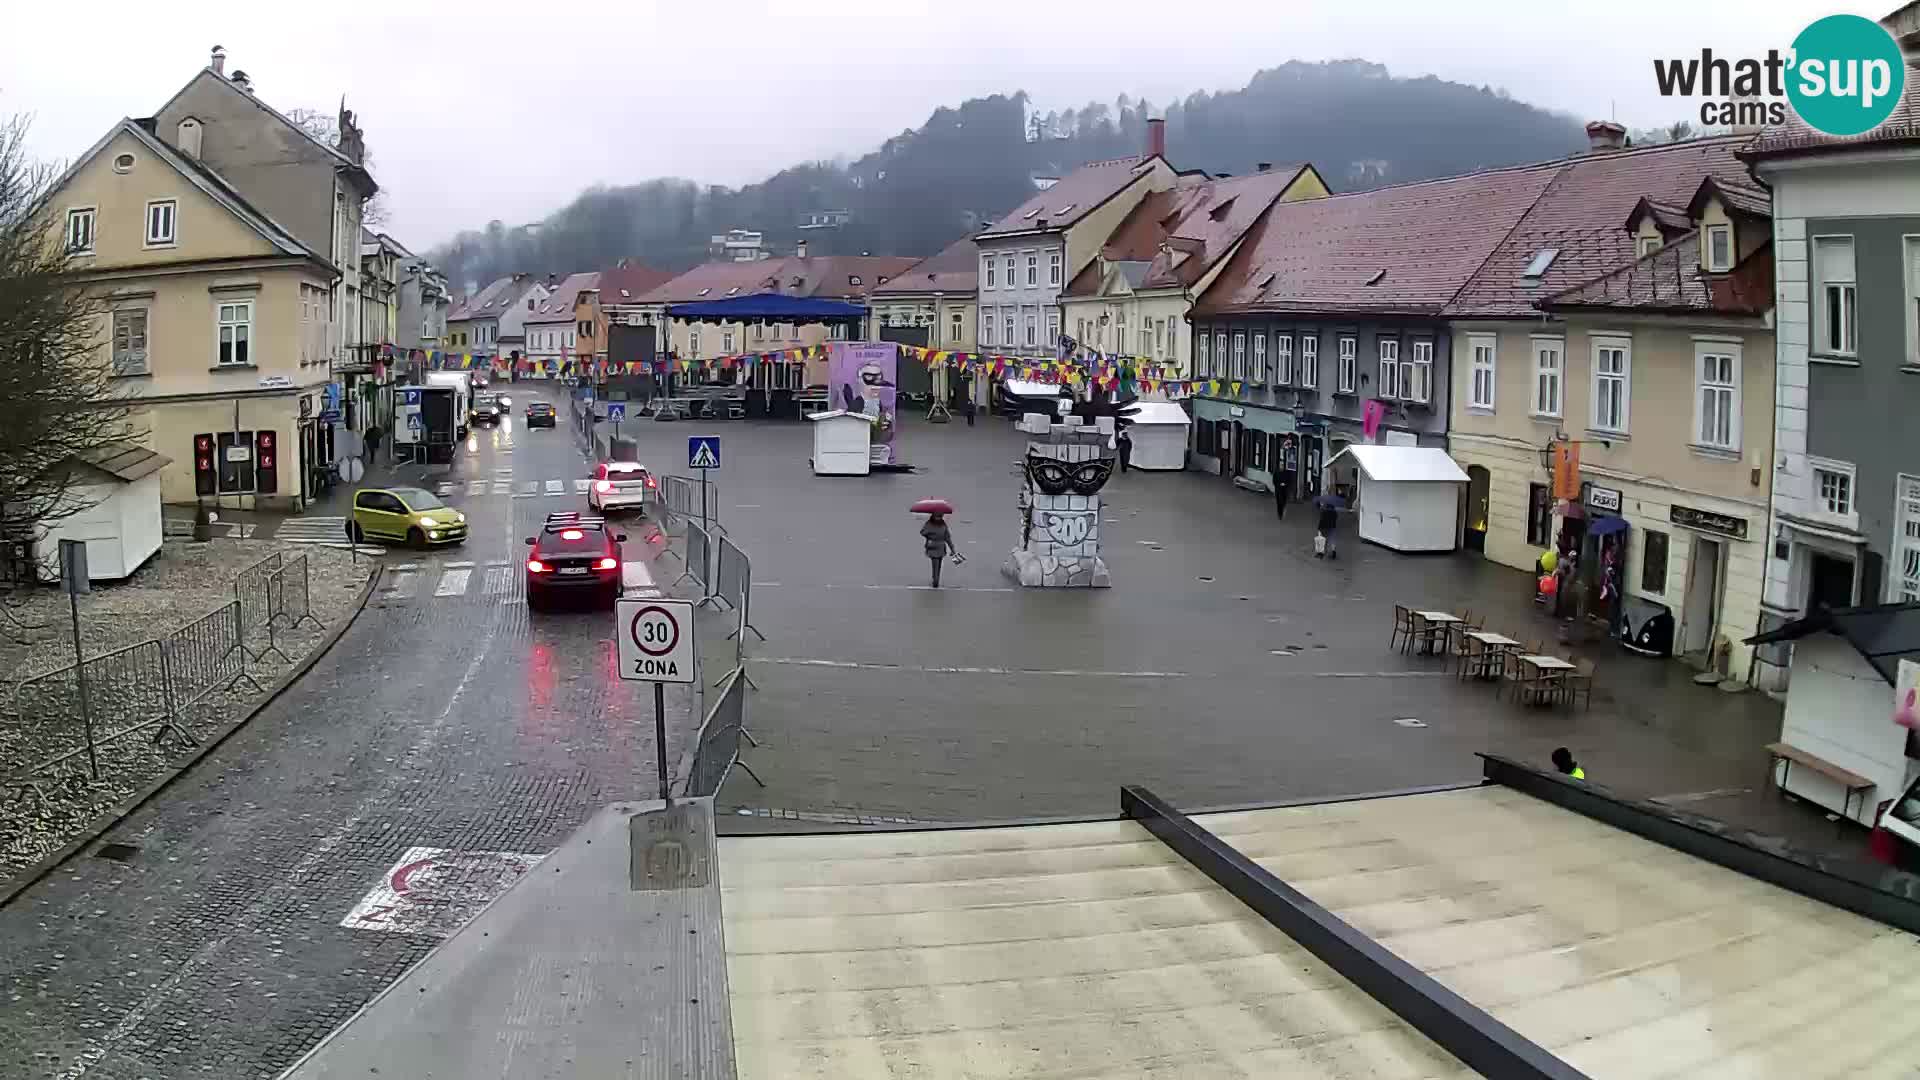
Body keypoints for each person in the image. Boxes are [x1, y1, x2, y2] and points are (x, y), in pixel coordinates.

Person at [920, 513, 956, 587]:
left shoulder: (930, 523)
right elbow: (947, 537)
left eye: (940, 516)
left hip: (936, 546)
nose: (938, 518)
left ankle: (935, 579)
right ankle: (936, 579)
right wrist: (952, 549)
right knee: (937, 564)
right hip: (937, 547)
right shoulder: (941, 524)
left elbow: (923, 532)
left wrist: (952, 549)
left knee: (937, 564)